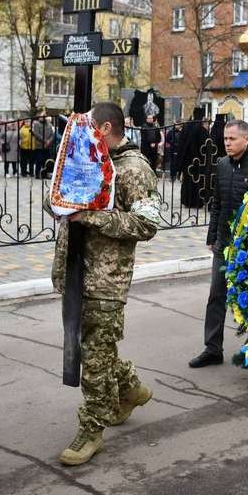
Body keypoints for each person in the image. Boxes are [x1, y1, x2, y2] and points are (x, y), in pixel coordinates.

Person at [54, 101, 161, 465]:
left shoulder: (133, 169)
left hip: (105, 279)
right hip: (75, 274)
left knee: (95, 359)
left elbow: (147, 224)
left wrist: (95, 218)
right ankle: (130, 389)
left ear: (102, 129)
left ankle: (92, 429)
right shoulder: (86, 161)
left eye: (86, 128)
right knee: (92, 349)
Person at [189, 120, 248, 368]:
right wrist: (212, 237)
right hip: (225, 243)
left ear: (247, 139)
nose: (227, 143)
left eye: (232, 139)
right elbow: (217, 203)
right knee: (216, 295)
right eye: (226, 139)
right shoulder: (221, 165)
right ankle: (212, 348)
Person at [31, 113, 54, 178]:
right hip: (39, 145)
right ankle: (37, 174)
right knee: (39, 160)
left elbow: (52, 134)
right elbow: (36, 134)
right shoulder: (36, 124)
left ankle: (45, 174)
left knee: (46, 161)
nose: (43, 118)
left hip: (47, 146)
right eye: (42, 116)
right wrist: (45, 141)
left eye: (45, 116)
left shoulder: (49, 125)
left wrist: (49, 141)